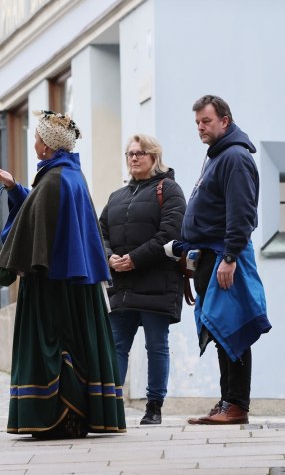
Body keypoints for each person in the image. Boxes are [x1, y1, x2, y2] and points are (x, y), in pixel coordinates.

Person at [0, 110, 126, 439]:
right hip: (73, 280)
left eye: (36, 138)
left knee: (59, 344)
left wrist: (17, 260)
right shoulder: (68, 175)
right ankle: (74, 416)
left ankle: (61, 417)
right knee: (78, 344)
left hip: (54, 285)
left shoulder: (55, 180)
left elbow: (36, 222)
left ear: (47, 145)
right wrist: (14, 187)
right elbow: (39, 213)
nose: (34, 143)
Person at [179, 95, 271, 425]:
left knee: (233, 326)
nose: (200, 128)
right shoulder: (217, 156)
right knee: (220, 331)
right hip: (210, 255)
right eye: (197, 123)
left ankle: (236, 404)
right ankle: (226, 401)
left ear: (224, 121)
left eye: (206, 121)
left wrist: (230, 256)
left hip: (225, 256)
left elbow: (242, 213)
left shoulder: (235, 157)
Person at [99, 134, 186, 425]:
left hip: (157, 281)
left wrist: (134, 259)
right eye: (130, 153)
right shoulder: (116, 196)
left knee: (156, 345)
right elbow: (100, 234)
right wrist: (109, 257)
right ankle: (112, 406)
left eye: (140, 153)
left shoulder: (169, 190)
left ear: (154, 157)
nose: (134, 158)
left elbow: (171, 233)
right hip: (121, 284)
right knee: (116, 345)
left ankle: (154, 407)